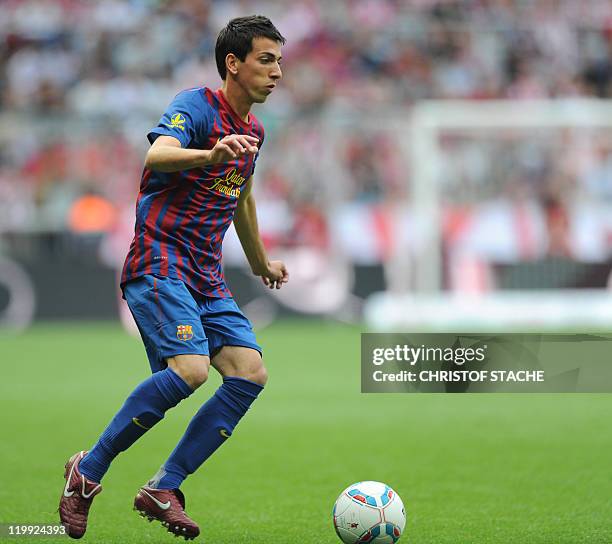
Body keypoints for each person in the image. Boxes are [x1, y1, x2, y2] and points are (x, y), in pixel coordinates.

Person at [59, 15, 287, 540]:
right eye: (266, 59)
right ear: (234, 63)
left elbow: (241, 197)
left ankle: (165, 486)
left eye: (279, 61)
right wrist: (209, 152)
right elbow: (156, 153)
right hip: (160, 260)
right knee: (190, 370)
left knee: (249, 373)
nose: (277, 72)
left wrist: (259, 262)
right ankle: (87, 471)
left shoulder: (254, 131)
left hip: (205, 273)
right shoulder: (196, 106)